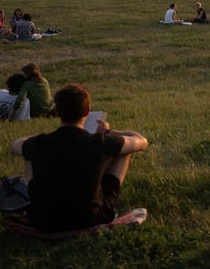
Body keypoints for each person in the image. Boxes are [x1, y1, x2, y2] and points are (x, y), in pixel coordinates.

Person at [11, 83, 149, 232]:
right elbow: (141, 141)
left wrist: (43, 137)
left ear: (57, 111)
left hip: (45, 220)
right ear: (87, 111)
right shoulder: (100, 141)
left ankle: (40, 202)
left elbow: (16, 145)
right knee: (123, 150)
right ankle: (99, 199)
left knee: (29, 153)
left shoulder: (41, 142)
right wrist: (108, 132)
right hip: (91, 219)